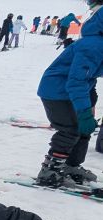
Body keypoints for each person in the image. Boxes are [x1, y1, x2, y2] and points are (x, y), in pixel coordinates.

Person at [36, 1, 103, 187]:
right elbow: (76, 81)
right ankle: (50, 170)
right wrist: (83, 112)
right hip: (56, 91)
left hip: (70, 90)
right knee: (70, 130)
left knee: (83, 130)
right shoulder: (93, 45)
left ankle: (71, 165)